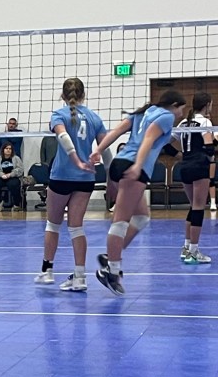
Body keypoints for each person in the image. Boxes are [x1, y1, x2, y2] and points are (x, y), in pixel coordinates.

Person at [91, 89, 187, 295]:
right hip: (134, 167)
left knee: (141, 217)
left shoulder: (145, 112)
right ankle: (112, 272)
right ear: (174, 105)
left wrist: (98, 150)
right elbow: (148, 140)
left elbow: (116, 131)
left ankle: (111, 256)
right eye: (182, 108)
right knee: (120, 220)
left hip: (119, 162)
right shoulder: (166, 116)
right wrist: (137, 165)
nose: (182, 114)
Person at [34, 78, 106, 291]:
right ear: (83, 95)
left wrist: (75, 160)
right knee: (76, 227)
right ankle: (80, 277)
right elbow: (106, 146)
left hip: (62, 175)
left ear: (63, 96)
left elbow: (63, 136)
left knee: (53, 224)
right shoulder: (94, 117)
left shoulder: (59, 114)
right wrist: (113, 177)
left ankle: (47, 271)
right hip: (86, 179)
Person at [174, 93, 214, 264]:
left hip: (184, 167)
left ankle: (187, 248)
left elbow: (166, 143)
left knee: (193, 207)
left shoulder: (183, 123)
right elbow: (209, 148)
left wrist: (179, 155)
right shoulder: (205, 122)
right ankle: (194, 252)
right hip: (199, 166)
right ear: (207, 105)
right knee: (198, 208)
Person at [0, 141, 24, 209]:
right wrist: (1, 174)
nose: (8, 150)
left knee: (14, 185)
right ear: (3, 150)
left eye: (10, 149)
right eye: (6, 148)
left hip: (13, 177)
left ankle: (16, 204)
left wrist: (10, 174)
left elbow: (20, 169)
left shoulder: (16, 158)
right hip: (1, 177)